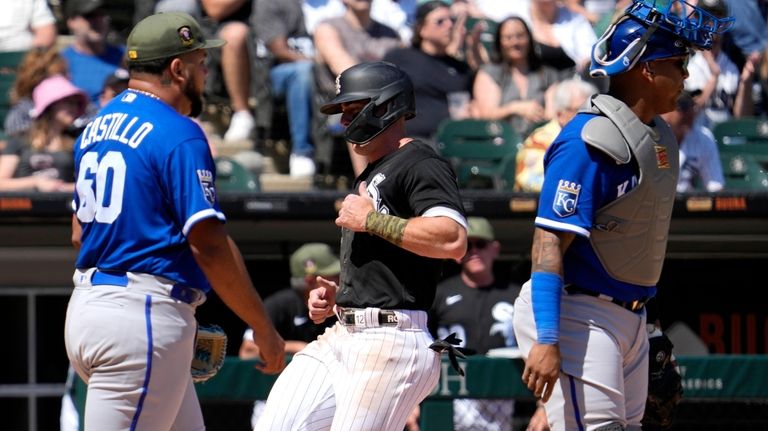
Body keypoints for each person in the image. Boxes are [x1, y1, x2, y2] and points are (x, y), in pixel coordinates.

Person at [512, 1, 731, 430]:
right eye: (678, 61)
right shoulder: (588, 140)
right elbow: (548, 242)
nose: (687, 74)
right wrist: (549, 338)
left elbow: (637, 237)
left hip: (629, 316)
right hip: (577, 312)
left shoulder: (658, 135)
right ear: (646, 69)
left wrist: (644, 323)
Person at [63, 11, 285, 430]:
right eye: (202, 63)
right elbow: (209, 244)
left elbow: (79, 234)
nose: (206, 72)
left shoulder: (94, 128)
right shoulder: (178, 131)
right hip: (140, 317)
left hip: (91, 309)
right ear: (177, 69)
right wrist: (261, 327)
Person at [255, 61, 468, 431]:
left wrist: (371, 220)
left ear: (386, 106)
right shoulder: (374, 170)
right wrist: (343, 294)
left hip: (391, 341)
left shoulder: (420, 161)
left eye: (353, 110)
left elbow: (452, 239)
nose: (343, 122)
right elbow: (392, 263)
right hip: (343, 334)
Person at [429, 216, 550, 431]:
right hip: (453, 392)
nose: (474, 251)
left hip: (507, 395)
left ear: (494, 249)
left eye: (481, 244)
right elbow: (422, 343)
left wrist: (544, 405)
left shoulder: (517, 294)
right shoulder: (439, 293)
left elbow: (542, 348)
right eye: (468, 246)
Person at [240, 242, 342, 429]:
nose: (339, 278)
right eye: (333, 274)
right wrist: (298, 348)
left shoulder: (341, 305)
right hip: (276, 399)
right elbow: (247, 350)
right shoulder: (280, 304)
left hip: (330, 397)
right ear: (311, 281)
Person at [314, 0, 403, 176]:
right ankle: (366, 185)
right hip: (340, 103)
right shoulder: (328, 28)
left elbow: (403, 70)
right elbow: (344, 69)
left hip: (387, 101)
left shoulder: (390, 34)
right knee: (358, 110)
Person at [383, 1, 475, 145]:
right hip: (410, 141)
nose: (449, 25)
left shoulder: (460, 67)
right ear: (422, 29)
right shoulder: (400, 58)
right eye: (440, 21)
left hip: (455, 141)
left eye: (452, 20)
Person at [253, 0, 319, 177]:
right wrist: (323, 61)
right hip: (279, 73)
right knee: (303, 72)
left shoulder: (336, 4)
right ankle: (301, 151)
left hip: (327, 72)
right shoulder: (271, 3)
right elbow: (280, 50)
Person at [472, 16, 560, 138]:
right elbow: (486, 115)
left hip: (537, 141)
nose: (515, 42)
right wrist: (515, 108)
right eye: (508, 37)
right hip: (500, 140)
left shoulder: (547, 74)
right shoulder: (489, 72)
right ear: (500, 42)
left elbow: (552, 115)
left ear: (529, 38)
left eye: (520, 36)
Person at [0, 74, 87, 192]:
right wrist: (35, 182)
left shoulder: (77, 141)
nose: (74, 108)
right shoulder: (20, 140)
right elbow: (2, 183)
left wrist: (62, 188)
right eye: (68, 102)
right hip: (23, 207)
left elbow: (87, 184)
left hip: (63, 208)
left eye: (76, 103)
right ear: (50, 106)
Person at [514, 78, 599, 193]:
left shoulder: (597, 138)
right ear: (560, 114)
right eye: (581, 111)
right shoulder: (540, 140)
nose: (589, 117)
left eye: (593, 111)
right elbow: (528, 179)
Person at [200, 0, 256, 142]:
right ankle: (242, 113)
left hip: (290, 30)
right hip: (231, 26)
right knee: (234, 35)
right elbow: (214, 8)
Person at [61, 0, 127, 103]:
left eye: (101, 14)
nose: (98, 20)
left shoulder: (125, 55)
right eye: (90, 15)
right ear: (71, 21)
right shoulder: (62, 63)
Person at [661, 91, 725, 193]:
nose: (687, 114)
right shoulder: (656, 139)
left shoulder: (704, 137)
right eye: (681, 108)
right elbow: (660, 185)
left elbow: (715, 185)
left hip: (688, 202)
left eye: (690, 107)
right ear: (665, 111)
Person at [3, 47, 70, 138]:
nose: (64, 81)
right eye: (55, 78)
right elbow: (17, 139)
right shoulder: (22, 112)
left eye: (64, 74)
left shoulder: (76, 103)